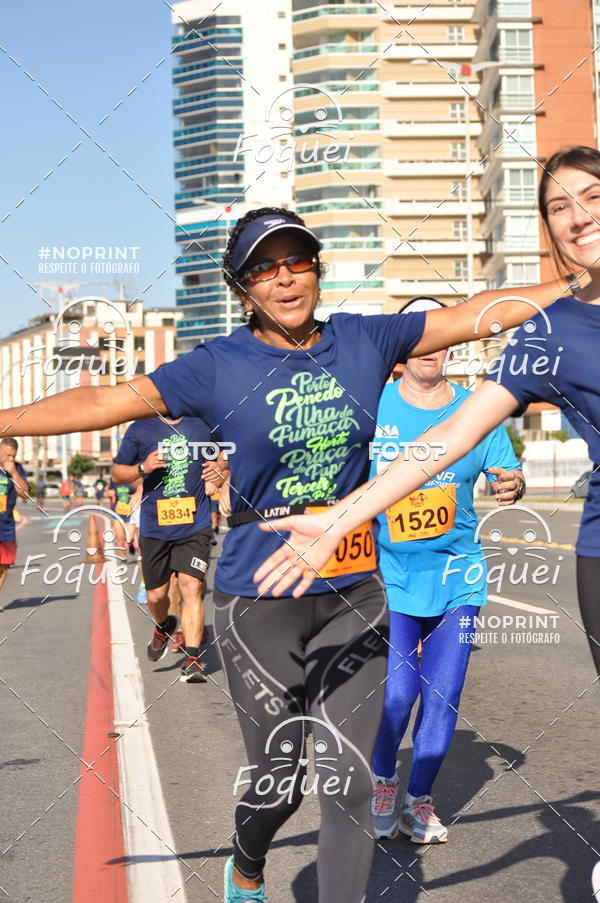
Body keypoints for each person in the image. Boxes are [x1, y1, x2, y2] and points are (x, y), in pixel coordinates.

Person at [0, 206, 581, 903]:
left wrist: (580, 278)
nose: (284, 278)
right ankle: (247, 863)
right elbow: (105, 400)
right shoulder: (217, 364)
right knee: (280, 779)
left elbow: (476, 315)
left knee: (353, 781)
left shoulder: (366, 340)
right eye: (263, 268)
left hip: (353, 591)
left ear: (315, 267)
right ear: (242, 287)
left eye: (296, 260)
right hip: (257, 596)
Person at [253, 149, 600, 696]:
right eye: (559, 206)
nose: (578, 216)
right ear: (549, 229)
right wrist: (336, 520)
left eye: (593, 197)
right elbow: (448, 437)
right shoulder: (548, 334)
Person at [368, 297, 524, 845]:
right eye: (421, 335)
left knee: (443, 693)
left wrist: (512, 484)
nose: (433, 347)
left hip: (459, 576)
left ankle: (419, 801)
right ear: (403, 346)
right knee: (394, 695)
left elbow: (508, 471)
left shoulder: (475, 410)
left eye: (442, 334)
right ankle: (383, 782)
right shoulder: (373, 404)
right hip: (388, 577)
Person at [111, 414, 214, 683]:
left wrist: (220, 474)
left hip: (195, 523)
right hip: (155, 527)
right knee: (156, 596)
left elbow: (225, 455)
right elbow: (117, 472)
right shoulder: (140, 429)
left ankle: (192, 659)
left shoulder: (202, 423)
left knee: (191, 586)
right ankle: (164, 625)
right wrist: (143, 468)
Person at [0, 438, 29, 604]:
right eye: (7, 455)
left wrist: (14, 474)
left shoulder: (16, 469)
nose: (11, 459)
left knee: (3, 567)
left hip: (6, 526)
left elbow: (24, 494)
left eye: (13, 456)